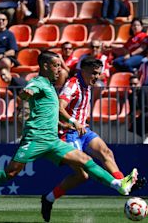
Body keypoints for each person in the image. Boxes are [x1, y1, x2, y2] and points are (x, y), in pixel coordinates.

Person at [0, 51, 139, 219]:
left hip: (53, 141)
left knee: (85, 160)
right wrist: (25, 93)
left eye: (60, 66)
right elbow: (27, 91)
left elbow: (58, 111)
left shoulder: (51, 87)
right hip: (35, 140)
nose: (59, 69)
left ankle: (119, 185)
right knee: (11, 173)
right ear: (45, 66)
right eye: (56, 66)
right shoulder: (38, 83)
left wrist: (73, 122)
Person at [40, 57, 131, 222]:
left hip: (83, 131)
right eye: (94, 73)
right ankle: (48, 198)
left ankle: (122, 183)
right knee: (83, 174)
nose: (97, 77)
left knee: (106, 152)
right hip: (67, 133)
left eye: (99, 74)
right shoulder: (72, 84)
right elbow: (59, 107)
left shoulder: (87, 85)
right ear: (83, 70)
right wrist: (72, 122)